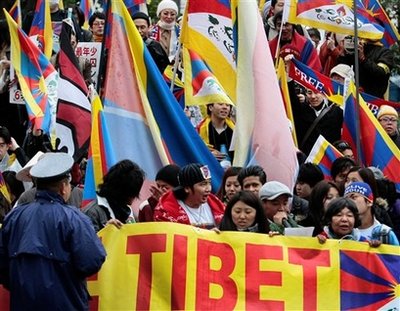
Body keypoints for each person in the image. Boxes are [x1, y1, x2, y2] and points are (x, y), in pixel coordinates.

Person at [0, 152, 106, 310]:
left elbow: (3, 266)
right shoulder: (74, 218)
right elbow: (92, 261)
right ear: (64, 187)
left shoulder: (14, 217)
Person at [153, 163, 225, 229]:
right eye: (203, 184)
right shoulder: (166, 211)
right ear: (187, 188)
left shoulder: (217, 205)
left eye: (209, 183)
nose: (208, 189)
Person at [83, 160, 145, 232]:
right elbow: (87, 242)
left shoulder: (128, 212)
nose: (134, 198)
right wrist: (106, 232)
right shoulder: (92, 213)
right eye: (133, 194)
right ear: (123, 192)